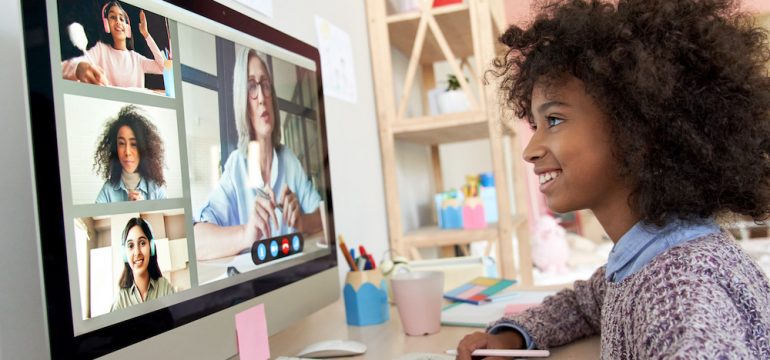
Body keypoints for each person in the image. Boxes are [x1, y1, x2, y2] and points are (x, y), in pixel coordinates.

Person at [456, 0, 770, 358]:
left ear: (635, 128)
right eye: (535, 125)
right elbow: (582, 305)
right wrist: (512, 335)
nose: (530, 151)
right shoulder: (648, 256)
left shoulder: (678, 288)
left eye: (554, 120)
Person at [193, 45, 323, 260]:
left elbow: (323, 216)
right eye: (252, 87)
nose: (262, 97)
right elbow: (196, 243)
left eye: (265, 85)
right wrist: (246, 234)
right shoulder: (237, 165)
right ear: (242, 101)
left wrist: (302, 222)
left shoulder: (288, 160)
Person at [61, 1, 165, 88]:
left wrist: (146, 34)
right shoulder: (101, 50)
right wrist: (78, 67)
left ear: (127, 28)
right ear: (107, 25)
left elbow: (162, 68)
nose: (118, 22)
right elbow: (63, 68)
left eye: (121, 18)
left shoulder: (136, 59)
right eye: (112, 17)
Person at [93, 105, 166, 202]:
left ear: (143, 148)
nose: (127, 152)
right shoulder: (107, 191)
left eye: (133, 144)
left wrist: (144, 210)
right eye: (122, 143)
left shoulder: (156, 189)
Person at [111, 217, 175, 311]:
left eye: (142, 243)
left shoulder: (164, 287)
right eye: (131, 246)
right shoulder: (121, 300)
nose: (137, 253)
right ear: (125, 254)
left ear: (151, 247)